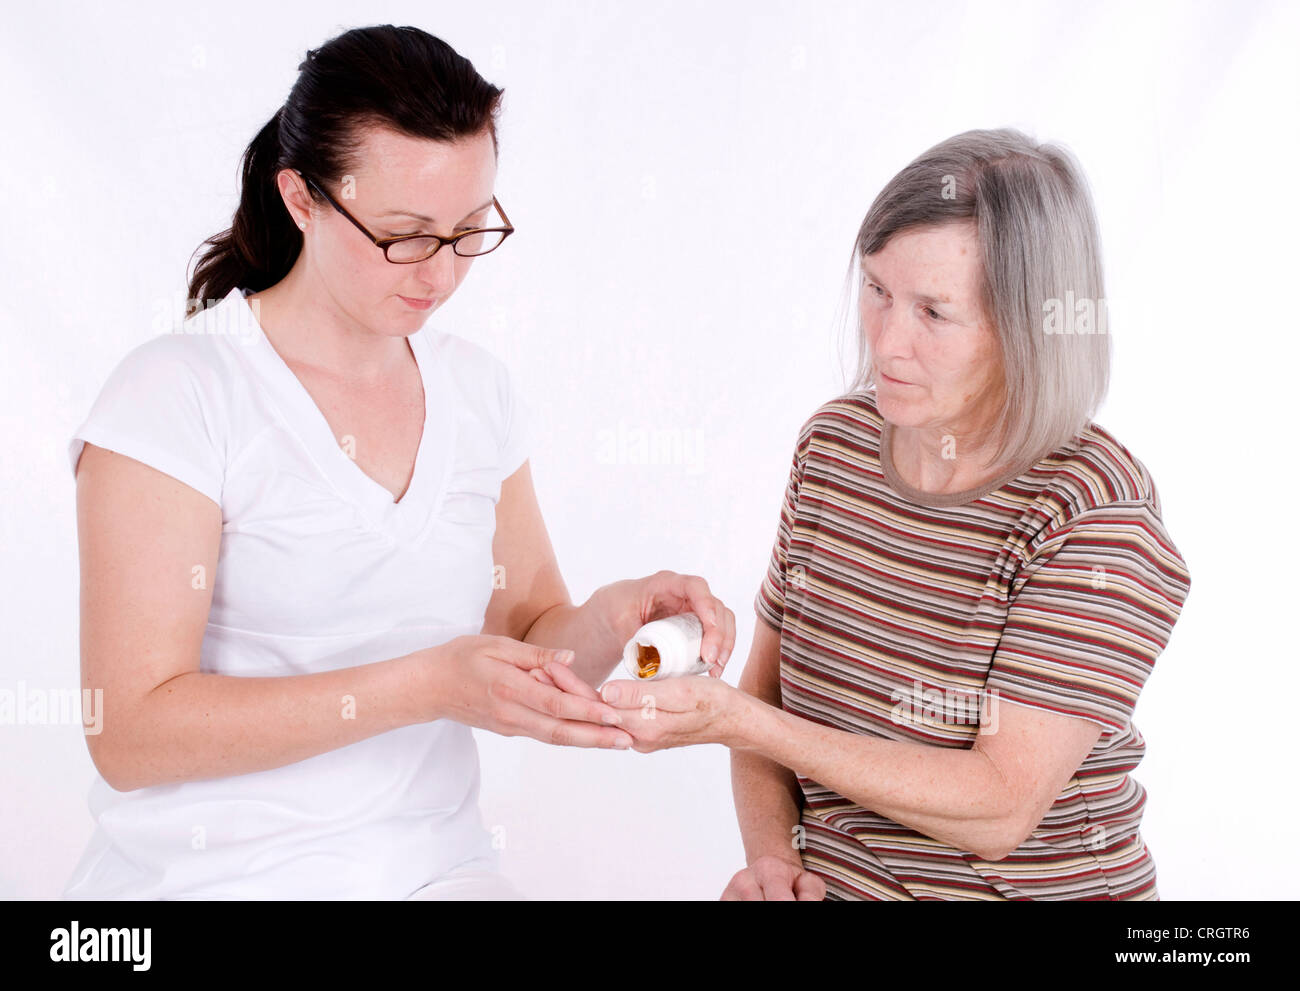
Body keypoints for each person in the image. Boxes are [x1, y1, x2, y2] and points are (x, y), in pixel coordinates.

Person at [63, 24, 735, 900]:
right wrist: (424, 684)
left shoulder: (475, 391)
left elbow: (527, 640)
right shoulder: (178, 393)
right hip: (211, 879)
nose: (441, 272)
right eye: (404, 234)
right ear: (302, 197)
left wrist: (612, 619)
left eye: (467, 231)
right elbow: (129, 733)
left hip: (435, 873)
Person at [600, 128, 1191, 900]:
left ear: (1030, 330)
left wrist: (734, 721)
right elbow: (769, 693)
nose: (886, 343)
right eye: (877, 290)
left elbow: (1001, 806)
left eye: (934, 313)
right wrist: (775, 860)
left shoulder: (1093, 513)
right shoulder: (835, 448)